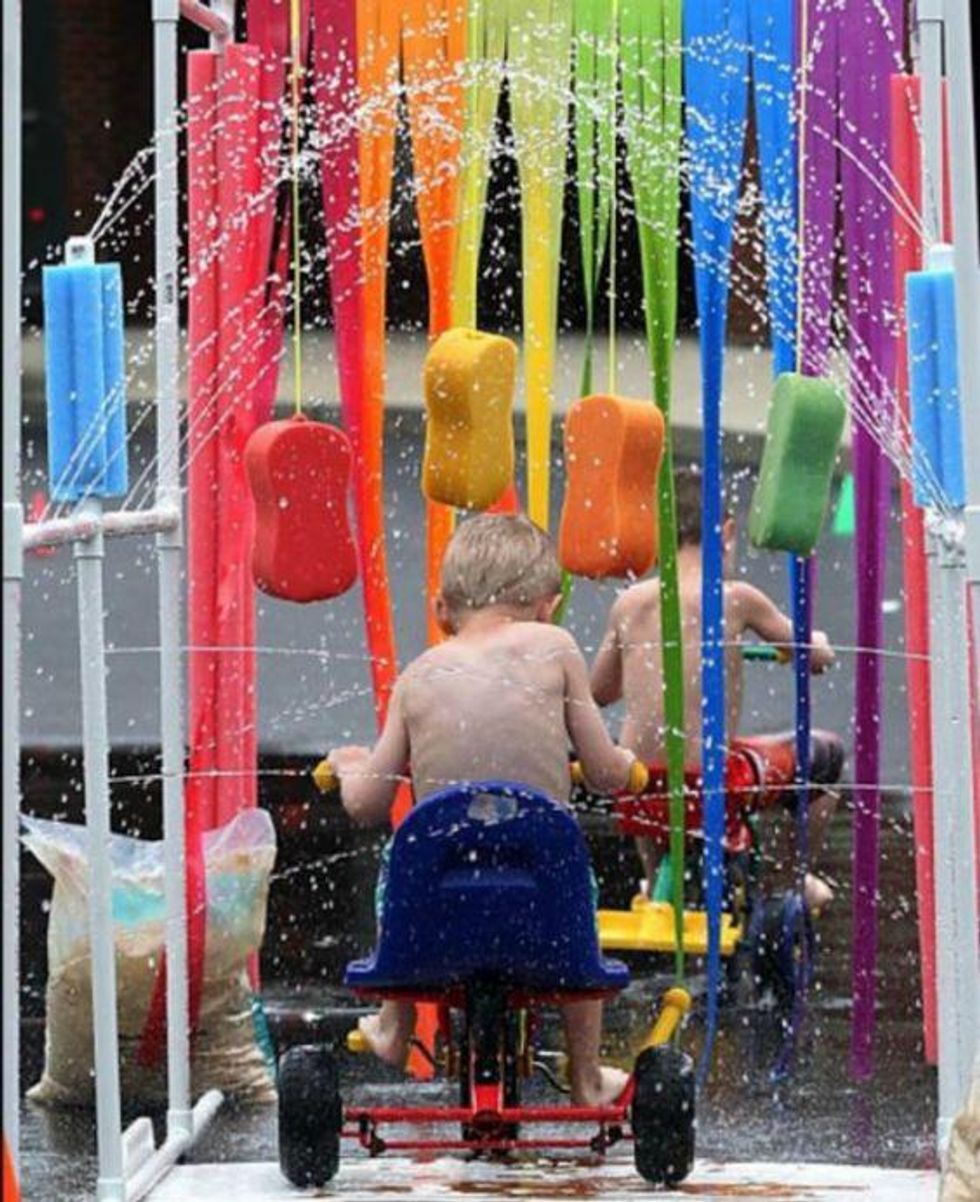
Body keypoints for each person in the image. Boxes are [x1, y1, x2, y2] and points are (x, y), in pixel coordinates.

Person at [328, 512, 637, 1107]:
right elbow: (602, 772)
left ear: (443, 608)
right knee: (578, 879)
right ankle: (586, 1076)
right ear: (548, 605)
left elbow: (367, 803)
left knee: (402, 855)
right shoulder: (556, 647)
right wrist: (625, 763)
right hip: (545, 915)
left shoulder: (418, 677)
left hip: (432, 918)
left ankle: (394, 1027)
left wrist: (349, 767)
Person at [590, 466, 843, 912]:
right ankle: (790, 881)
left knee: (648, 764)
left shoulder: (629, 602)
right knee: (826, 756)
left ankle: (653, 884)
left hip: (635, 785)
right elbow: (813, 655)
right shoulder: (735, 598)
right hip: (711, 784)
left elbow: (601, 691)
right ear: (726, 532)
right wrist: (817, 643)